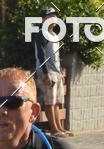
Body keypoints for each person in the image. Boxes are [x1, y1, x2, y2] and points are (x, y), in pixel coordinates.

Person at [33, 7, 68, 136]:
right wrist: (46, 73)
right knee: (50, 102)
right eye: (49, 17)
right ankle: (54, 129)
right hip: (47, 73)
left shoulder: (53, 35)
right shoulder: (42, 34)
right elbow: (41, 55)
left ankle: (59, 128)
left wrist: (59, 74)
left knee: (57, 102)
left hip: (56, 73)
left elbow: (55, 56)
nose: (53, 19)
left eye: (54, 17)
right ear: (43, 19)